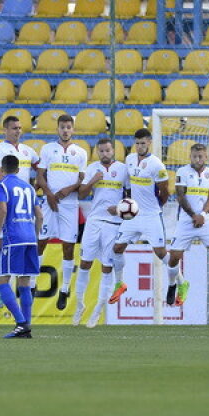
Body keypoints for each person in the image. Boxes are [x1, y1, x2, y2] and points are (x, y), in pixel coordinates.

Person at [167, 143, 209, 308]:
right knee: (174, 256)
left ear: (206, 157)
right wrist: (193, 215)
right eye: (195, 156)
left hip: (205, 219)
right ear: (190, 157)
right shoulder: (182, 172)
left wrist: (203, 215)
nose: (198, 159)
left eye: (201, 156)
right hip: (186, 220)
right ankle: (172, 285)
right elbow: (180, 196)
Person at [110, 128, 170, 307]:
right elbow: (128, 186)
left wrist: (158, 206)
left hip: (151, 214)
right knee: (117, 248)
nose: (139, 146)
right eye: (137, 143)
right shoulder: (129, 159)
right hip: (133, 214)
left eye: (143, 143)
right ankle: (120, 284)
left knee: (160, 252)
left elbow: (165, 190)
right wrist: (125, 205)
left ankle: (181, 282)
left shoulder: (156, 164)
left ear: (149, 142)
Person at [35, 114, 87, 312]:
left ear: (73, 129)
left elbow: (82, 179)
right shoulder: (48, 149)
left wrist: (68, 189)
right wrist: (49, 195)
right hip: (50, 202)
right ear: (57, 129)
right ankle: (32, 284)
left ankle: (64, 289)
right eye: (62, 127)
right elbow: (40, 175)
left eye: (68, 127)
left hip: (69, 204)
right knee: (41, 241)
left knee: (68, 246)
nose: (65, 130)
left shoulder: (80, 153)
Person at [77, 138, 128, 327]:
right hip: (94, 220)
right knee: (85, 262)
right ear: (97, 152)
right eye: (101, 151)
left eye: (108, 151)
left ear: (113, 151)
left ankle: (98, 310)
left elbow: (130, 196)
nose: (105, 154)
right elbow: (81, 194)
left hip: (114, 223)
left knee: (106, 266)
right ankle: (79, 304)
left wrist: (120, 207)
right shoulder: (92, 168)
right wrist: (93, 181)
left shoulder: (123, 169)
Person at [0, 154, 43, 339]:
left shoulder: (2, 185)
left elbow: (3, 209)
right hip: (30, 238)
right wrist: (35, 236)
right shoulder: (29, 187)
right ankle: (26, 326)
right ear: (19, 169)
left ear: (2, 170)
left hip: (13, 238)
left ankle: (21, 323)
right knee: (24, 282)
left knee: (1, 282)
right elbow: (40, 215)